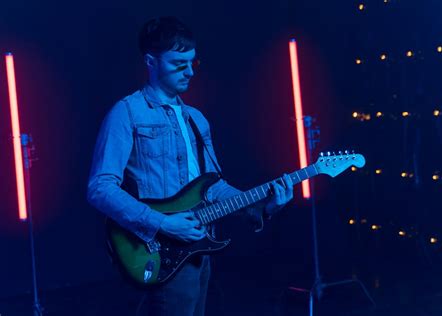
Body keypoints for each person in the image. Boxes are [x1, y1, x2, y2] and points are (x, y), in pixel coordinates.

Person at [87, 16, 294, 316]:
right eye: (178, 64)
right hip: (159, 248)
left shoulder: (196, 120)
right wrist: (163, 223)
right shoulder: (127, 112)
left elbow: (214, 186)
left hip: (198, 249)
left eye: (192, 63)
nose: (188, 72)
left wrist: (263, 206)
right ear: (151, 62)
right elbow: (100, 187)